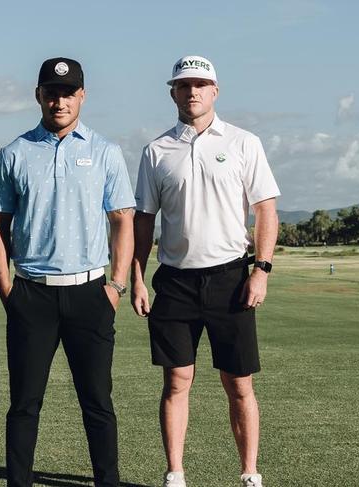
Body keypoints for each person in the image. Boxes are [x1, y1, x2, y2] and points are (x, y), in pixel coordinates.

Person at [131, 55, 279, 487]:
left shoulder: (243, 142)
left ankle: (250, 473)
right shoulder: (156, 150)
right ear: (172, 92)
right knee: (177, 381)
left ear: (215, 90)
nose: (192, 92)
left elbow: (265, 209)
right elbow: (144, 220)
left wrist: (262, 270)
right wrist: (138, 276)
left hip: (232, 278)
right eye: (183, 85)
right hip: (175, 280)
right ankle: (175, 473)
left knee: (239, 384)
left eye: (200, 84)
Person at [0, 57, 135, 487]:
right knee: (24, 404)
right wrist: (5, 286)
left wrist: (117, 285)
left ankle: (107, 481)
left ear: (82, 96)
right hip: (32, 294)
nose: (59, 101)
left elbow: (122, 218)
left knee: (98, 402)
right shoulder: (14, 153)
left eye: (68, 93)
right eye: (51, 93)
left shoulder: (105, 151)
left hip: (90, 292)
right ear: (38, 96)